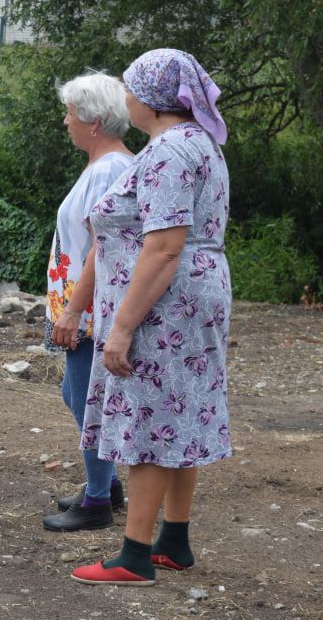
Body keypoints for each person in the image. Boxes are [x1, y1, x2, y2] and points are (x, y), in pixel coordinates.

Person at [71, 48, 231, 585]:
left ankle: (134, 554)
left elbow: (162, 247)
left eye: (131, 88)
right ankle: (174, 541)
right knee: (183, 410)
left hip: (168, 303)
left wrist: (121, 327)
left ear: (156, 100)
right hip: (200, 292)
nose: (127, 98)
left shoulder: (167, 153)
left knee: (151, 418)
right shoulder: (201, 144)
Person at [42, 72, 135, 531]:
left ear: (94, 121)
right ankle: (107, 481)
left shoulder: (110, 169)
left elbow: (105, 245)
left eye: (71, 113)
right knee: (74, 392)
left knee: (86, 397)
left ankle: (98, 498)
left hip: (91, 308)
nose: (65, 121)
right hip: (82, 303)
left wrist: (74, 309)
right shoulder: (103, 165)